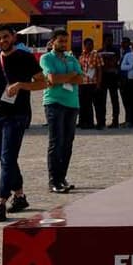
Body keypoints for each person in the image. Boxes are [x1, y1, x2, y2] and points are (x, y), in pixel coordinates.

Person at [0, 25, 52, 221]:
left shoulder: (25, 58)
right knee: (6, 159)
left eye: (5, 37)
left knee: (8, 157)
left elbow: (43, 82)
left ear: (13, 37)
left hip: (16, 116)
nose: (2, 41)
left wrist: (21, 85)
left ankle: (1, 200)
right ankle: (19, 196)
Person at [40, 28, 87, 193]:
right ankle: (53, 180)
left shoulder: (71, 58)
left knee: (67, 143)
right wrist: (71, 75)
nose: (63, 44)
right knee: (56, 141)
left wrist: (67, 77)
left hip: (72, 104)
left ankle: (62, 178)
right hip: (54, 103)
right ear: (52, 41)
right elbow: (52, 79)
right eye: (60, 41)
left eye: (65, 41)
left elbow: (81, 79)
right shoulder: (46, 58)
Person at [97, 34, 122, 128]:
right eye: (108, 40)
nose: (110, 42)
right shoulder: (99, 51)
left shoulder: (115, 50)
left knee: (114, 100)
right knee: (102, 101)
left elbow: (115, 63)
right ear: (104, 41)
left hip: (113, 77)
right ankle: (102, 121)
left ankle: (115, 121)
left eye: (111, 40)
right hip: (103, 77)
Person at [76, 38, 101, 129]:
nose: (91, 46)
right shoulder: (81, 56)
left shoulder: (96, 55)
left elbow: (99, 70)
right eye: (89, 44)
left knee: (92, 104)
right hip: (83, 83)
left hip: (92, 83)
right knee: (82, 104)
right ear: (84, 45)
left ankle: (93, 123)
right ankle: (82, 122)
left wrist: (98, 83)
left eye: (92, 44)